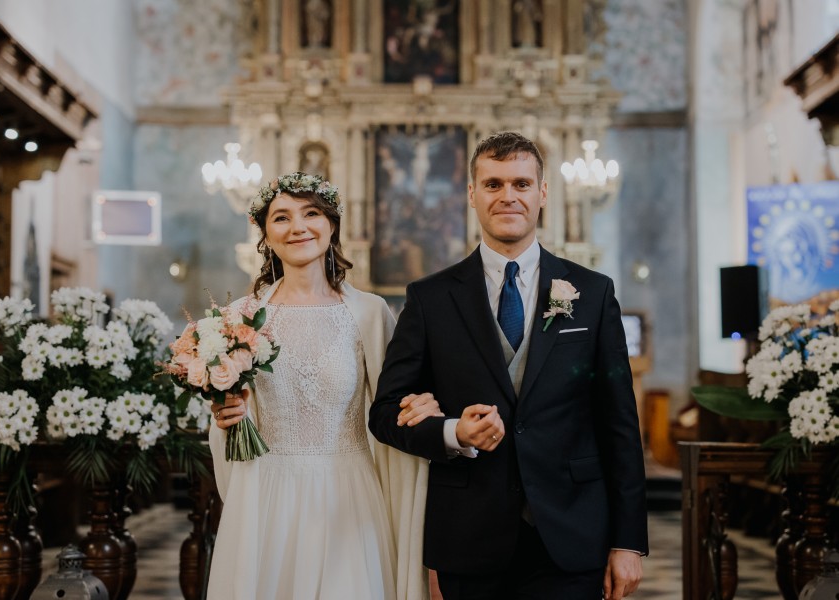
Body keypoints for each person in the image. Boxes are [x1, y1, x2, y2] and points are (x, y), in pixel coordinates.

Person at [369, 132, 648, 600]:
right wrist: (454, 433)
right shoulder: (430, 298)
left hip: (572, 532)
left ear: (542, 193)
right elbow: (384, 412)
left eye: (521, 183)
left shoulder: (593, 293)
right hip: (468, 536)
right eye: (493, 184)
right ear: (472, 194)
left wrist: (628, 540)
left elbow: (619, 422)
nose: (508, 196)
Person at [207, 172, 437, 599]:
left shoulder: (370, 313)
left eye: (311, 213)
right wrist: (227, 415)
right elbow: (231, 418)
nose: (298, 227)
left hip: (349, 497)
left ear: (332, 225)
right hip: (267, 495)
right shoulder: (239, 317)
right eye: (281, 217)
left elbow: (394, 407)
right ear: (265, 235)